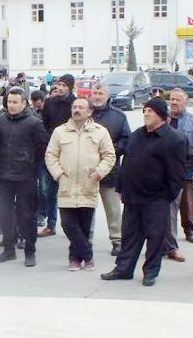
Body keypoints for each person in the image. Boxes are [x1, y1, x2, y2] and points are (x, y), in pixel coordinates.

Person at [100, 98, 184, 287]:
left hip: (156, 199)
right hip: (132, 197)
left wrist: (165, 198)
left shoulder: (174, 139)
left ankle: (150, 272)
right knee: (129, 236)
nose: (145, 114)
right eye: (144, 110)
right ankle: (123, 269)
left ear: (161, 115)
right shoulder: (137, 135)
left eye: (150, 111)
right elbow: (127, 163)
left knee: (155, 238)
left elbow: (177, 175)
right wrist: (122, 187)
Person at [45, 98, 116, 271]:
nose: (76, 110)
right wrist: (59, 174)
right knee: (68, 224)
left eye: (81, 107)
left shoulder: (100, 132)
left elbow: (109, 156)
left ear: (89, 112)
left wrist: (98, 172)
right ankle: (87, 254)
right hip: (66, 185)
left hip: (88, 185)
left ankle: (75, 259)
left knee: (84, 226)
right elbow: (50, 155)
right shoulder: (60, 132)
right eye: (74, 107)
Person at [0, 87, 50, 267]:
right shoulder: (0, 119)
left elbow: (43, 148)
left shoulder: (34, 123)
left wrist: (30, 162)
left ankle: (30, 251)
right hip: (4, 176)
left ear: (24, 104)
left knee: (27, 216)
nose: (11, 105)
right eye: (9, 101)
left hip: (26, 177)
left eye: (15, 102)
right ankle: (8, 250)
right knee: (4, 216)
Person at [164, 88, 193, 262]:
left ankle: (190, 229)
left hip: (187, 171)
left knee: (187, 203)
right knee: (170, 208)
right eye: (172, 99)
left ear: (186, 102)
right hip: (167, 172)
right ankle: (169, 241)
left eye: (178, 100)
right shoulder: (165, 120)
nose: (174, 103)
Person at [89, 83, 131, 256]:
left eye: (101, 93)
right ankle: (86, 239)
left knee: (113, 210)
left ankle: (117, 240)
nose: (97, 97)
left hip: (111, 171)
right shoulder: (85, 114)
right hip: (88, 172)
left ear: (107, 96)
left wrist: (112, 151)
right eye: (95, 93)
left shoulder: (118, 116)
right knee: (87, 209)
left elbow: (127, 140)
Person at [38, 74, 76, 238]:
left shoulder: (75, 104)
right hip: (51, 150)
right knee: (48, 191)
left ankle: (72, 226)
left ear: (70, 87)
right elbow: (44, 123)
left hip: (69, 152)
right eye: (59, 84)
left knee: (68, 191)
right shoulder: (50, 102)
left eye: (64, 85)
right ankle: (51, 225)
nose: (60, 88)